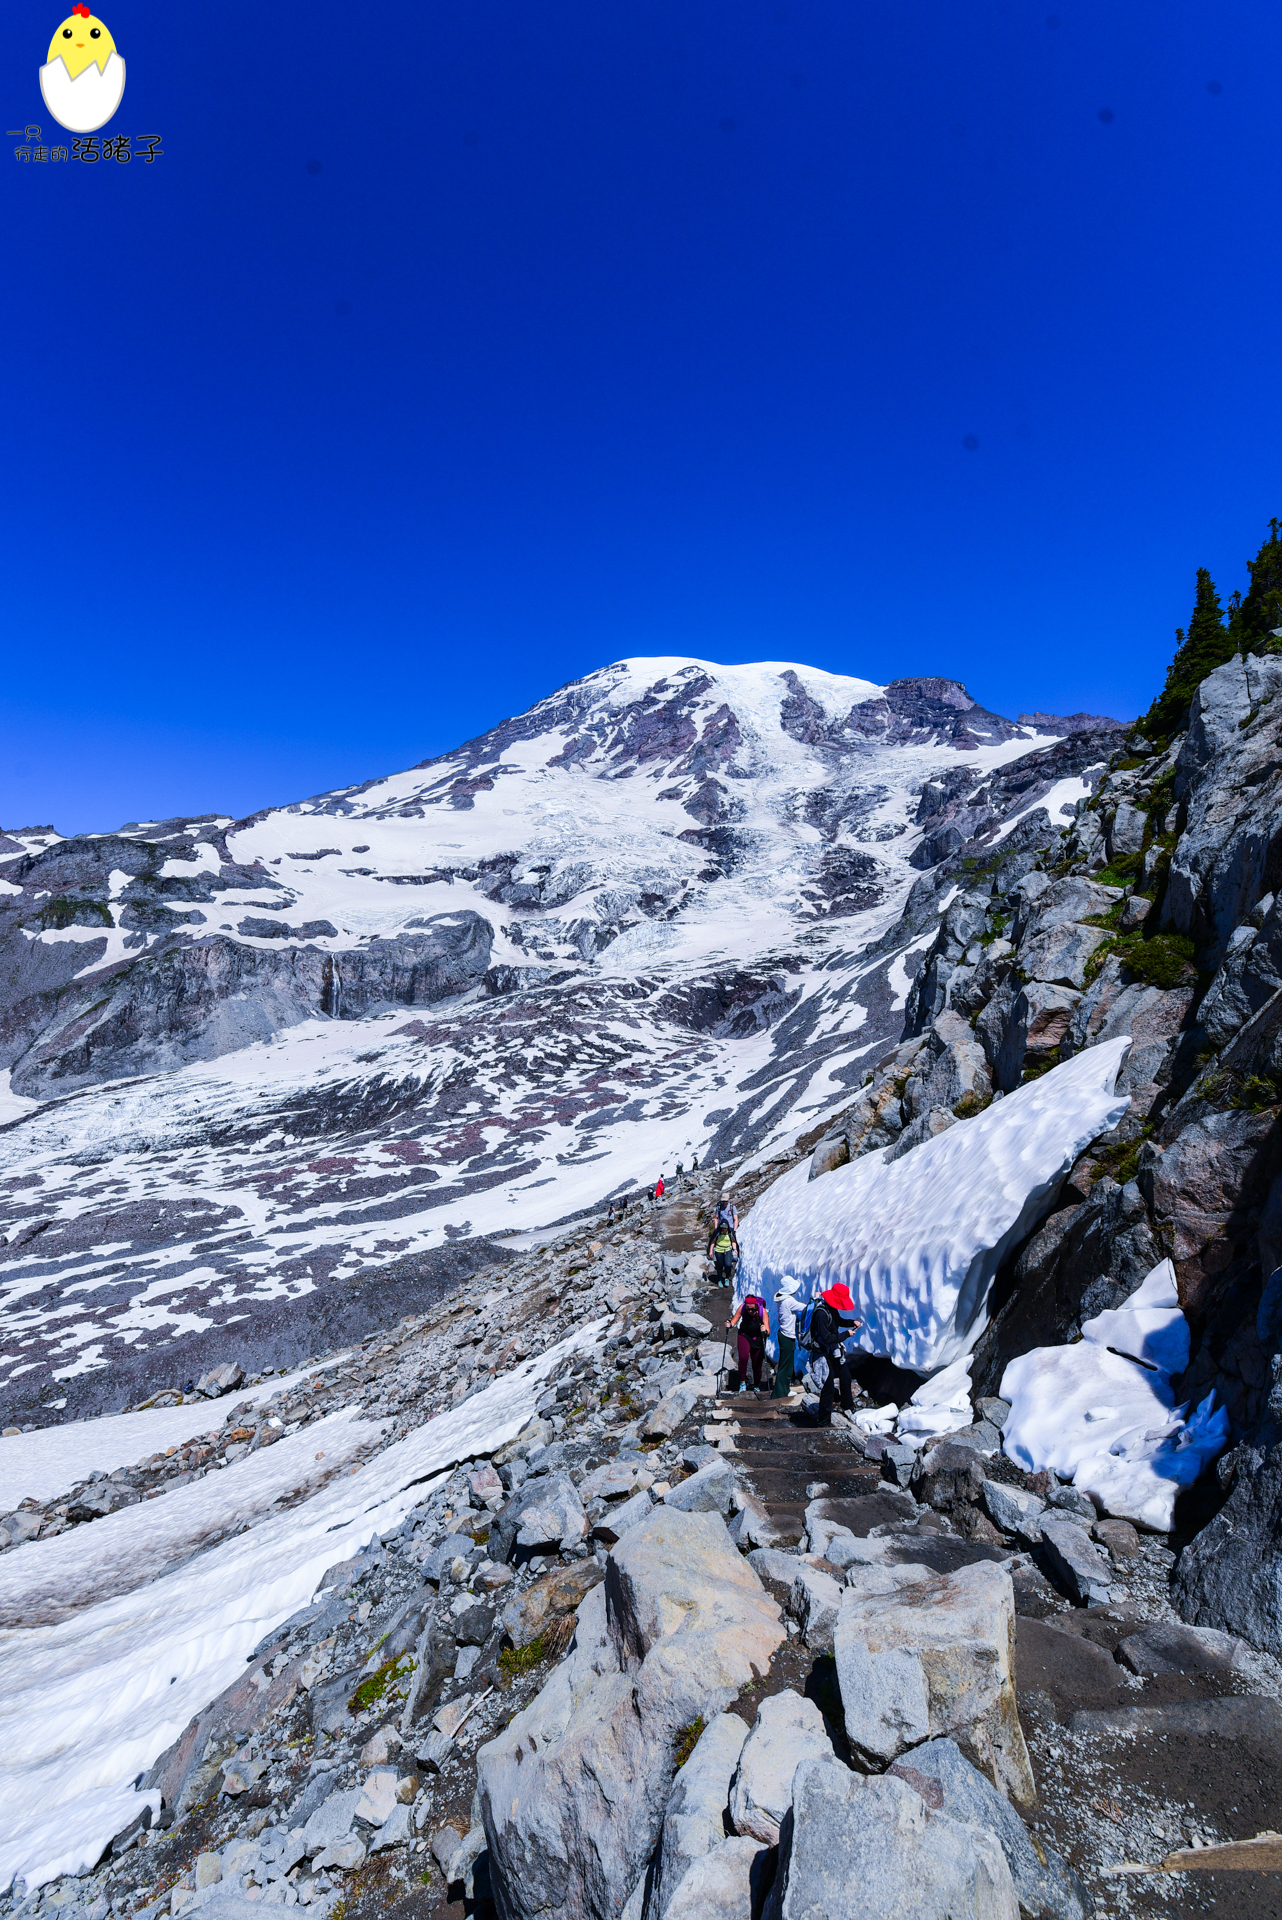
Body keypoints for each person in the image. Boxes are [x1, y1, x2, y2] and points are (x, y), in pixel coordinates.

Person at [808, 1283, 862, 1425]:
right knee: (828, 1387)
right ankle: (824, 1421)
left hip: (832, 1350)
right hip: (822, 1354)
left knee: (845, 1376)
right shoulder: (820, 1313)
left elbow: (837, 1321)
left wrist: (852, 1322)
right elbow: (826, 1337)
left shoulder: (830, 1309)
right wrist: (846, 1334)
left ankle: (847, 1406)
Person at [728, 1290, 770, 1392]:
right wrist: (729, 1324)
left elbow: (768, 1331)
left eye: (752, 1308)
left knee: (757, 1364)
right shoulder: (742, 1308)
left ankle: (756, 1385)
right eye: (748, 1308)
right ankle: (742, 1383)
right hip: (744, 1335)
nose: (750, 1311)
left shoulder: (762, 1311)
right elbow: (734, 1320)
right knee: (743, 1357)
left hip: (758, 1338)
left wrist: (765, 1330)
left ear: (756, 1305)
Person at [771, 1280, 801, 1399]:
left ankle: (785, 1389)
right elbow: (804, 1308)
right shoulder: (789, 1301)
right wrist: (815, 1300)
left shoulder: (782, 1300)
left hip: (784, 1334)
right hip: (788, 1336)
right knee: (785, 1365)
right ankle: (779, 1393)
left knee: (787, 1364)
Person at [707, 1212, 738, 1286]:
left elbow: (733, 1241)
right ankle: (720, 1279)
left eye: (725, 1228)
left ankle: (727, 1278)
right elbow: (713, 1242)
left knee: (727, 1264)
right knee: (720, 1265)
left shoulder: (730, 1233)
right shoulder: (717, 1233)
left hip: (728, 1249)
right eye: (722, 1228)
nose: (723, 1230)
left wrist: (735, 1249)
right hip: (718, 1250)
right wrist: (711, 1251)